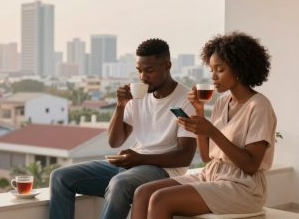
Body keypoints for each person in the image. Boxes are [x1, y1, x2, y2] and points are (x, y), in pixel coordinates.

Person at [131, 32, 277, 219]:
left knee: (160, 199)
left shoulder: (259, 106)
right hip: (212, 175)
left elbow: (250, 165)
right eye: (211, 70)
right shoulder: (222, 103)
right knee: (142, 193)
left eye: (220, 69)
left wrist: (212, 132)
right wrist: (199, 112)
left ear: (239, 70)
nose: (213, 77)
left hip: (243, 187)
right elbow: (208, 157)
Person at [49, 38, 197, 219]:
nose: (143, 77)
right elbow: (115, 141)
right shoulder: (138, 96)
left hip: (164, 171)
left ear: (167, 65)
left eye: (149, 70)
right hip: (134, 165)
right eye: (139, 71)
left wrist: (140, 159)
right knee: (60, 177)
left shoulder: (185, 99)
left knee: (120, 184)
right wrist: (120, 106)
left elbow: (185, 156)